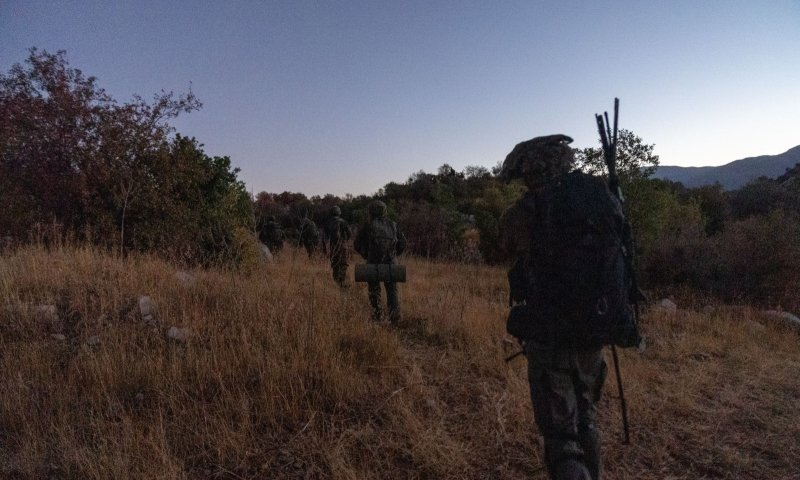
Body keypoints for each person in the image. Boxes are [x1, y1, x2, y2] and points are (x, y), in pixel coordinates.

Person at [499, 134, 625, 480]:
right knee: (585, 419)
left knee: (560, 437)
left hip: (550, 335)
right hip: (594, 330)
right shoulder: (600, 198)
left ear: (532, 171)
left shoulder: (530, 209)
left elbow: (504, 243)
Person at [354, 200, 407, 323]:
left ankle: (377, 317)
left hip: (373, 263)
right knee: (392, 291)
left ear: (371, 211)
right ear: (384, 210)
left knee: (374, 291)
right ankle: (395, 319)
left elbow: (356, 244)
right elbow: (403, 243)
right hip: (391, 264)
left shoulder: (367, 225)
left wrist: (366, 255)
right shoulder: (393, 225)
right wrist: (394, 255)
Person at [324, 206, 351, 287]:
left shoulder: (328, 223)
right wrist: (345, 241)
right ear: (339, 212)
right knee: (343, 264)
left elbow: (325, 238)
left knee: (335, 265)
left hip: (333, 247)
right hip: (343, 246)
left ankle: (336, 283)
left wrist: (325, 249)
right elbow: (349, 233)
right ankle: (342, 282)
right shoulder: (344, 222)